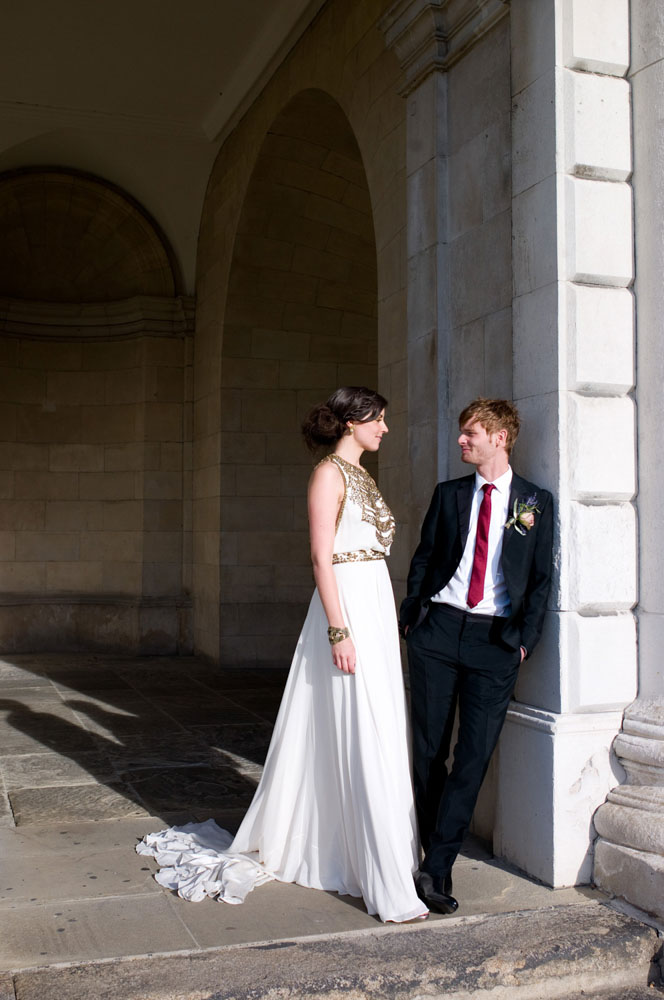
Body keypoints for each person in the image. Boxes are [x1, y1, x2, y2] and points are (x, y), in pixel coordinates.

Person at [138, 387, 428, 924]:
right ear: (351, 423)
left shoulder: (361, 473)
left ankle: (368, 851)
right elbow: (321, 557)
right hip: (346, 607)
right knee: (359, 724)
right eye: (378, 420)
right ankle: (377, 877)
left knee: (378, 725)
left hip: (373, 601)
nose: (385, 428)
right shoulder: (328, 474)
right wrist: (340, 632)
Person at [400, 398, 553, 915]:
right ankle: (426, 851)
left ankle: (437, 865)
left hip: (495, 643)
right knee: (426, 750)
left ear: (499, 437)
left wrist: (523, 642)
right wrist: (412, 619)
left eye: (470, 434)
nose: (462, 441)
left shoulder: (534, 502)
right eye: (462, 433)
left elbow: (539, 581)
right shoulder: (449, 495)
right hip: (438, 632)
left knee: (473, 757)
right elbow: (424, 558)